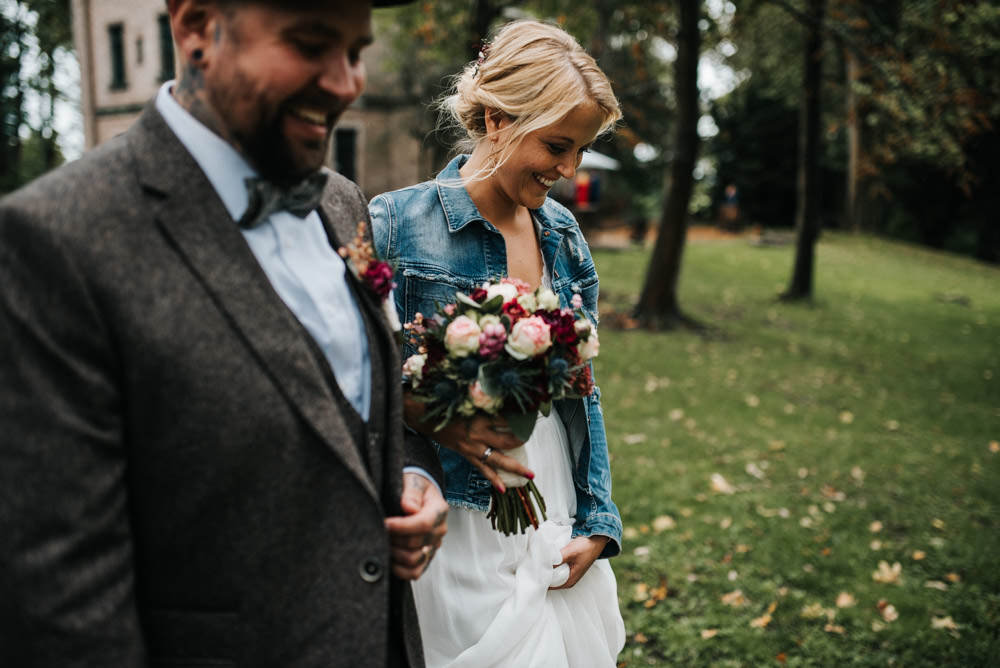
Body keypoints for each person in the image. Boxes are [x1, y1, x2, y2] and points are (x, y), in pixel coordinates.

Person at [0, 1, 448, 666]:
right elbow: (63, 599)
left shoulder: (339, 201)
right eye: (311, 40)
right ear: (196, 27)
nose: (347, 81)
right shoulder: (56, 240)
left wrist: (412, 474)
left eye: (355, 51)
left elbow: (357, 413)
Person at [369, 20, 625, 668]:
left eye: (581, 151)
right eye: (558, 145)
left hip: (551, 503)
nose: (568, 171)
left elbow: (584, 392)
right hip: (452, 516)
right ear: (496, 120)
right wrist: (422, 412)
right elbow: (354, 376)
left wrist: (598, 518)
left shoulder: (563, 236)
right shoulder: (396, 225)